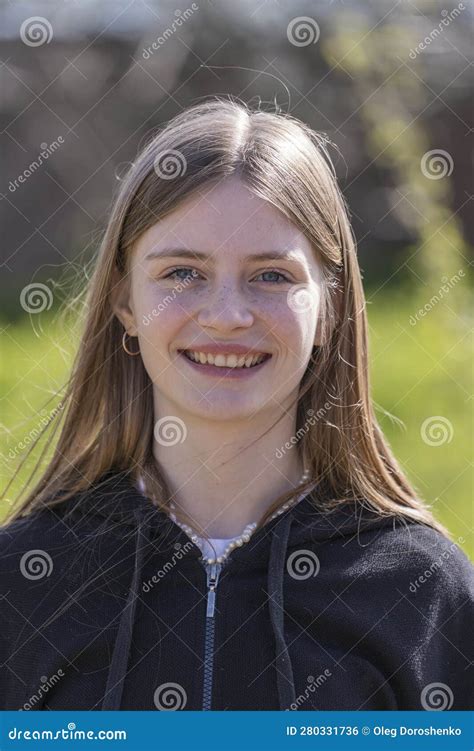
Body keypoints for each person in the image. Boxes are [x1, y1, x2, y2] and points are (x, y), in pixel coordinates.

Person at [1, 98, 472, 711]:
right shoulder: (23, 583)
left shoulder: (423, 591)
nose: (227, 316)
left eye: (272, 275)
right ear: (124, 302)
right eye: (181, 273)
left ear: (329, 306)